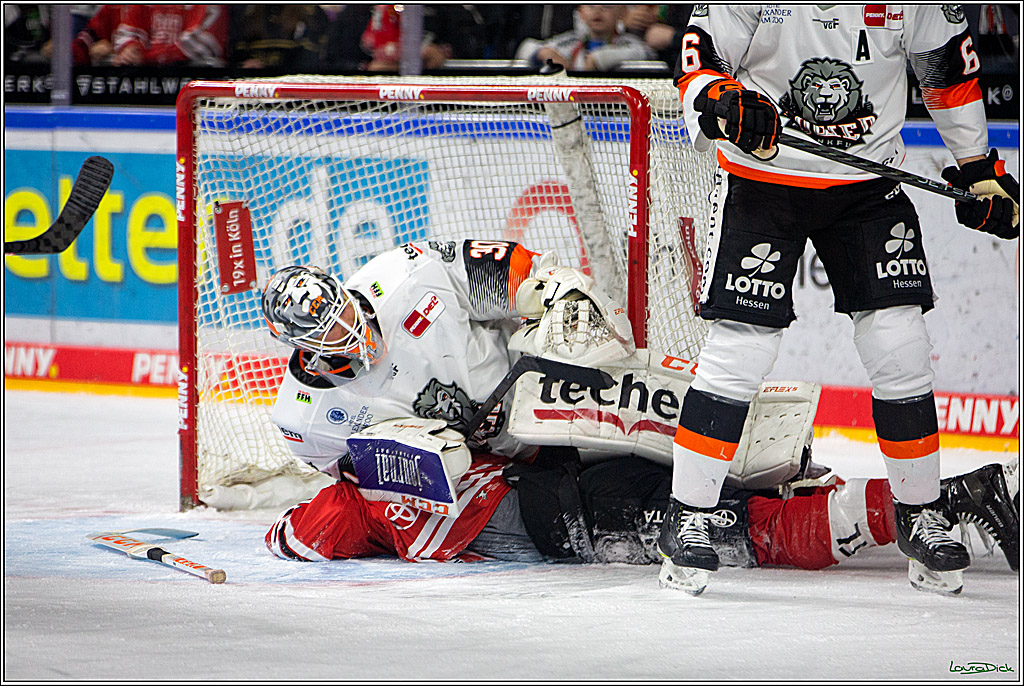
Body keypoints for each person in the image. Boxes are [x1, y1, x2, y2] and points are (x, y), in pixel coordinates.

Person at [257, 240, 1018, 594]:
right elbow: (342, 510)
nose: (352, 333)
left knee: (709, 445)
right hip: (512, 485)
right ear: (301, 349)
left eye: (346, 313)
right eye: (328, 336)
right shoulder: (307, 419)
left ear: (345, 286)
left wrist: (553, 295)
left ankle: (908, 502)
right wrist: (397, 468)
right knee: (680, 513)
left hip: (541, 392)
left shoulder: (399, 273)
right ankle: (924, 507)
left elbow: (510, 273)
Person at [663, 5, 1019, 594]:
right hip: (763, 180)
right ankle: (689, 514)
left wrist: (978, 165)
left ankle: (920, 513)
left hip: (868, 184)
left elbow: (948, 70)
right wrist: (723, 101)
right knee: (741, 349)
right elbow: (699, 60)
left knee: (901, 344)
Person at [522, 5, 654, 72]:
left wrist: (598, 59)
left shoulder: (630, 43)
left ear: (622, 12)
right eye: (590, 5)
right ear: (581, 12)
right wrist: (544, 53)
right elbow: (526, 47)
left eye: (606, 6)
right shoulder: (570, 41)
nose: (598, 11)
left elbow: (647, 53)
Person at [111, 4, 227, 67]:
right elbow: (128, 31)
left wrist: (148, 57)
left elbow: (205, 43)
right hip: (150, 75)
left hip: (192, 74)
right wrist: (131, 48)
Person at [229, 5, 329, 72]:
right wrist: (243, 65)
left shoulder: (310, 12)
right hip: (254, 86)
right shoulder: (248, 11)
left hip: (290, 88)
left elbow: (310, 60)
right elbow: (237, 53)